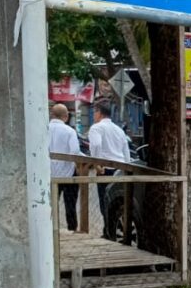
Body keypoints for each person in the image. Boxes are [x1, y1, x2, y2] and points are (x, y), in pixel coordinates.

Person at [87, 101, 132, 236]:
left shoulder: (96, 128)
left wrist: (97, 164)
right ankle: (114, 231)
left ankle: (108, 232)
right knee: (117, 201)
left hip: (105, 169)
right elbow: (126, 151)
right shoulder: (119, 130)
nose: (94, 115)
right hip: (119, 169)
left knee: (105, 202)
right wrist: (126, 167)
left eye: (95, 112)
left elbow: (95, 146)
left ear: (99, 113)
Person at [48, 104, 81, 232]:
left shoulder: (44, 129)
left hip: (49, 174)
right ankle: (72, 229)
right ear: (66, 116)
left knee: (50, 204)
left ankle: (50, 229)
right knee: (70, 204)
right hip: (68, 174)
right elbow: (75, 151)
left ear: (52, 114)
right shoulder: (69, 131)